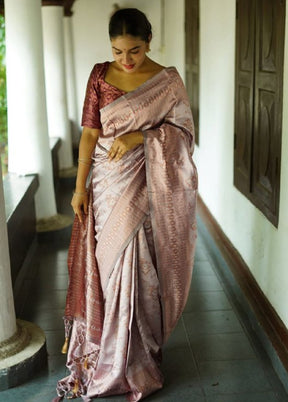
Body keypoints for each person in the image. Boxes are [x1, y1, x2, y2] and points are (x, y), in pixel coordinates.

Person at [55, 8, 198, 402]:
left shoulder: (166, 81)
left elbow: (183, 133)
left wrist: (143, 139)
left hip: (145, 185)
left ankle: (139, 360)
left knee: (141, 271)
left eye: (134, 50)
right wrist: (79, 187)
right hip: (105, 184)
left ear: (148, 41)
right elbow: (88, 134)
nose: (126, 60)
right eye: (118, 51)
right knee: (110, 268)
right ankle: (108, 356)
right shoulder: (100, 75)